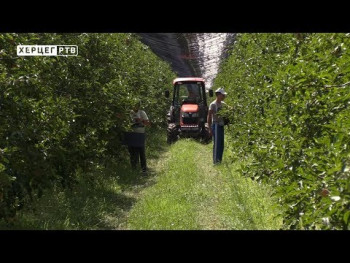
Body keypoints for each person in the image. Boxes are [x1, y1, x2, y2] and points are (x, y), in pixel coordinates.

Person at [127, 101, 150, 174]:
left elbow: (148, 123)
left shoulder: (142, 113)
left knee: (141, 153)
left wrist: (141, 120)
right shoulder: (129, 113)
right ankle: (134, 169)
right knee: (132, 153)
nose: (136, 106)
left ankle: (144, 170)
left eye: (138, 105)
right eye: (135, 105)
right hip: (131, 134)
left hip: (140, 135)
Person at [207, 87, 228, 164]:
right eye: (223, 95)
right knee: (217, 144)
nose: (224, 97)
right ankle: (216, 162)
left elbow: (229, 110)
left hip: (221, 126)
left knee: (221, 144)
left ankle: (219, 160)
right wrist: (209, 128)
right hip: (216, 126)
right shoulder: (213, 105)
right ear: (218, 95)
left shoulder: (223, 104)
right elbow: (209, 116)